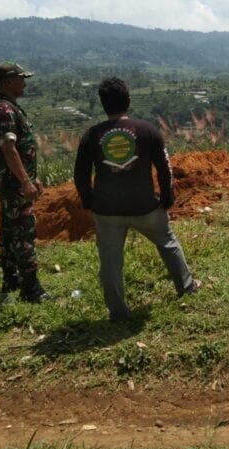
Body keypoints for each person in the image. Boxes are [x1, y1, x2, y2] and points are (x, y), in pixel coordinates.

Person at [74, 77, 201, 322]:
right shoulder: (147, 130)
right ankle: (186, 287)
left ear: (102, 104)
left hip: (106, 210)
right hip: (145, 206)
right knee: (167, 242)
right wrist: (167, 196)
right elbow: (164, 167)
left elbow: (80, 174)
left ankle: (119, 313)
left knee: (110, 261)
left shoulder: (92, 135)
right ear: (128, 101)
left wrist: (89, 200)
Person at [0, 61, 51, 304]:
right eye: (21, 79)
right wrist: (25, 182)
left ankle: (11, 279)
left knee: (8, 230)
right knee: (23, 230)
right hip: (14, 184)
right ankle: (31, 288)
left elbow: (21, 149)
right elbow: (9, 148)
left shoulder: (10, 108)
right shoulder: (3, 110)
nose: (25, 83)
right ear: (7, 83)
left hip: (13, 181)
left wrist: (33, 177)